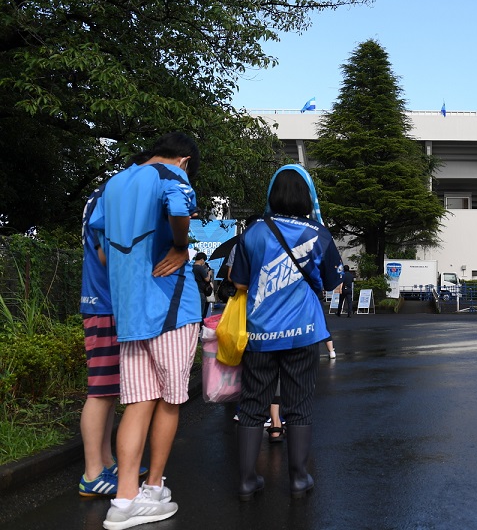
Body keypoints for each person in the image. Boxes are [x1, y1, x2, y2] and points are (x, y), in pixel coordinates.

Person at [89, 132, 202, 530]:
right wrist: (180, 246)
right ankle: (153, 488)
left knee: (137, 403)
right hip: (171, 308)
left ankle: (123, 499)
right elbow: (177, 206)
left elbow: (100, 245)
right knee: (170, 401)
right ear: (185, 159)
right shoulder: (172, 173)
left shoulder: (115, 182)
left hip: (130, 313)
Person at [229, 164, 343, 501]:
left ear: (273, 194)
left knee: (252, 404)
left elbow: (238, 282)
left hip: (260, 334)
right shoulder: (318, 234)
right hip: (303, 333)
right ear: (309, 196)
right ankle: (298, 478)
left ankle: (248, 481)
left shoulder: (253, 232)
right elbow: (335, 283)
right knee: (300, 404)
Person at [78, 173, 149, 498]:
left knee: (106, 390)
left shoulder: (100, 197)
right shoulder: (109, 200)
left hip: (102, 304)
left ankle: (104, 462)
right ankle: (93, 473)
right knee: (101, 391)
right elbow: (109, 255)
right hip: (105, 304)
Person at [192, 252, 213, 319]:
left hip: (193, 291)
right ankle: (200, 327)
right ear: (202, 259)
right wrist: (209, 273)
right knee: (201, 312)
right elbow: (207, 279)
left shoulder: (191, 267)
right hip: (201, 291)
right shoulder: (200, 268)